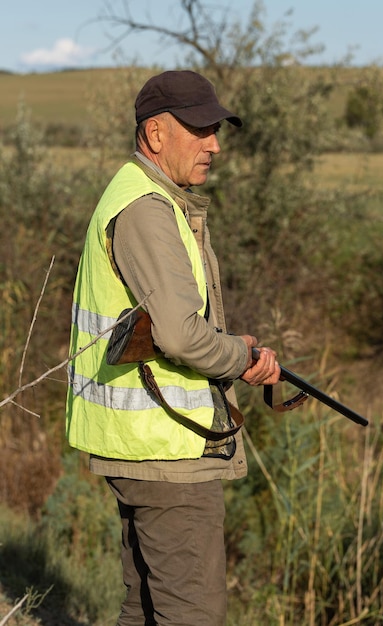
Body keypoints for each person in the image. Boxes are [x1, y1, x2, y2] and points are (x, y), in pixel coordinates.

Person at [66, 69, 281, 626]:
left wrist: (232, 348)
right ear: (155, 134)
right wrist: (240, 357)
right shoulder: (147, 208)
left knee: (143, 611)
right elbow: (182, 334)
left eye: (217, 129)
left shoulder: (138, 195)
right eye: (200, 128)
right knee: (192, 615)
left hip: (147, 446)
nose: (214, 144)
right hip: (168, 453)